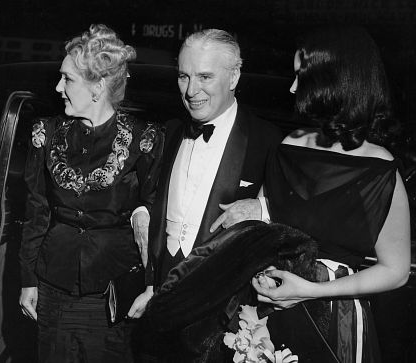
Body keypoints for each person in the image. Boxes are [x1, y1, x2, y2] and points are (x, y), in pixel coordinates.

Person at [252, 26, 411, 363]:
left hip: (335, 322)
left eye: (301, 76)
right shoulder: (287, 147)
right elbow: (265, 227)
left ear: (332, 81)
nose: (293, 87)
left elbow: (396, 271)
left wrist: (312, 291)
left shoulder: (379, 169)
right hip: (273, 310)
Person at [131, 28, 282, 360]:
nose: (191, 91)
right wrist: (141, 214)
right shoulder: (168, 132)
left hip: (221, 324)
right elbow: (145, 195)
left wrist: (262, 208)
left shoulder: (268, 142)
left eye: (204, 77)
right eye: (183, 76)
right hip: (158, 314)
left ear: (234, 77)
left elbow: (294, 219)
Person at [18, 24, 163, 362]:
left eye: (67, 79)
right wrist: (28, 279)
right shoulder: (47, 133)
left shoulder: (145, 141)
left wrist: (152, 284)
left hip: (112, 298)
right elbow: (36, 210)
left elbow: (154, 223)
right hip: (53, 289)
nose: (58, 88)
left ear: (98, 87)